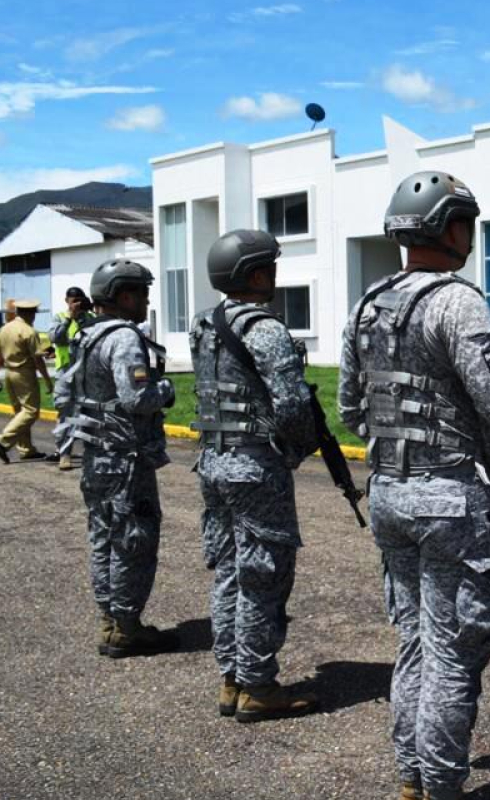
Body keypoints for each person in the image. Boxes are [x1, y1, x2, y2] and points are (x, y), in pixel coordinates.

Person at [339, 171, 490, 800]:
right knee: (452, 653)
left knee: (414, 641)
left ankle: (412, 777)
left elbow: (351, 409)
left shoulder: (369, 302)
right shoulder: (457, 301)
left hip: (390, 494)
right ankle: (442, 786)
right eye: (467, 224)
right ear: (449, 228)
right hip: (450, 500)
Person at [191, 229, 322, 723]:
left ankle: (232, 677)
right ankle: (258, 685)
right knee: (263, 575)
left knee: (229, 571)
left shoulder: (204, 325)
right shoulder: (265, 329)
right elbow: (290, 404)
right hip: (254, 468)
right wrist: (298, 447)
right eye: (269, 266)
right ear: (253, 274)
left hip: (212, 461)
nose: (275, 273)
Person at [60, 260, 178, 658]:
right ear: (124, 295)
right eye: (142, 292)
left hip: (95, 455)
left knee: (103, 537)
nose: (146, 300)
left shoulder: (87, 335)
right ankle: (127, 627)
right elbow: (137, 399)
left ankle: (110, 618)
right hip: (125, 459)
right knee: (134, 539)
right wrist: (166, 390)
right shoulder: (125, 338)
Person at [0, 299, 53, 463]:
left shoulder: (4, 329)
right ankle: (3, 440)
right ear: (31, 313)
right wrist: (47, 380)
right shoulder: (29, 332)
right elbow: (38, 361)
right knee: (31, 411)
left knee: (20, 412)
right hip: (24, 374)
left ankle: (26, 449)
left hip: (9, 374)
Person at [48, 287, 96, 470]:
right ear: (66, 300)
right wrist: (70, 317)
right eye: (73, 300)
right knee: (65, 415)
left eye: (79, 300)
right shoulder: (60, 318)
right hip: (66, 375)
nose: (76, 303)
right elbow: (56, 337)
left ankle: (92, 451)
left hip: (87, 374)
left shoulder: (90, 319)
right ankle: (64, 453)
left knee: (92, 413)